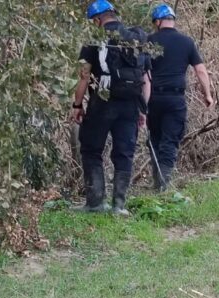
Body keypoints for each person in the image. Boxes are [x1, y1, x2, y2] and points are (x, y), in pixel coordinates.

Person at [69, 0, 151, 216]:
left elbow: (84, 76)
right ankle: (119, 207)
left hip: (102, 103)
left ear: (97, 19)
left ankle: (95, 203)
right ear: (114, 14)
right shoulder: (136, 38)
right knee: (125, 153)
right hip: (131, 104)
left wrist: (77, 105)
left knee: (91, 149)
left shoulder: (94, 40)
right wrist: (143, 109)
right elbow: (146, 78)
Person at [147, 3, 214, 191]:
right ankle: (163, 185)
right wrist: (207, 94)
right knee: (169, 141)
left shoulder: (148, 41)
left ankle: (158, 183)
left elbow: (141, 72)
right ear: (172, 21)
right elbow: (200, 70)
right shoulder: (186, 42)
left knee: (155, 139)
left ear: (158, 22)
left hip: (153, 98)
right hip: (175, 99)